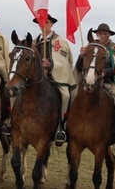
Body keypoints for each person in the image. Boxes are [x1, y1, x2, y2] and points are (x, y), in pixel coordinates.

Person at [33, 14, 77, 146]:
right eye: (41, 23)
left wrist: (51, 65)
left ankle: (61, 128)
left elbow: (65, 61)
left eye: (46, 22)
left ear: (51, 24)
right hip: (36, 78)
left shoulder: (60, 42)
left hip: (55, 77)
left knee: (66, 96)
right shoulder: (34, 42)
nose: (43, 25)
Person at [75, 23, 115, 141]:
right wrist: (81, 56)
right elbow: (79, 66)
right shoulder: (90, 46)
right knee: (72, 96)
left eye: (104, 33)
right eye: (99, 33)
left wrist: (105, 72)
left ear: (109, 35)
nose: (101, 35)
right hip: (88, 80)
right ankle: (67, 126)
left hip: (107, 82)